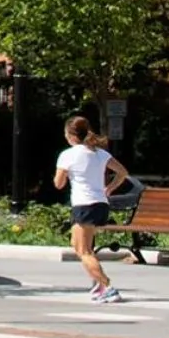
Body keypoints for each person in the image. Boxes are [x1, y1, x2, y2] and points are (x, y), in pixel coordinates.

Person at [53, 115, 128, 304]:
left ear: (70, 135)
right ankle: (98, 285)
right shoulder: (100, 153)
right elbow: (122, 172)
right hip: (101, 204)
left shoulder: (68, 155)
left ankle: (108, 286)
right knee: (79, 244)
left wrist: (64, 174)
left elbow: (59, 184)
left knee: (83, 251)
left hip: (83, 204)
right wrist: (109, 188)